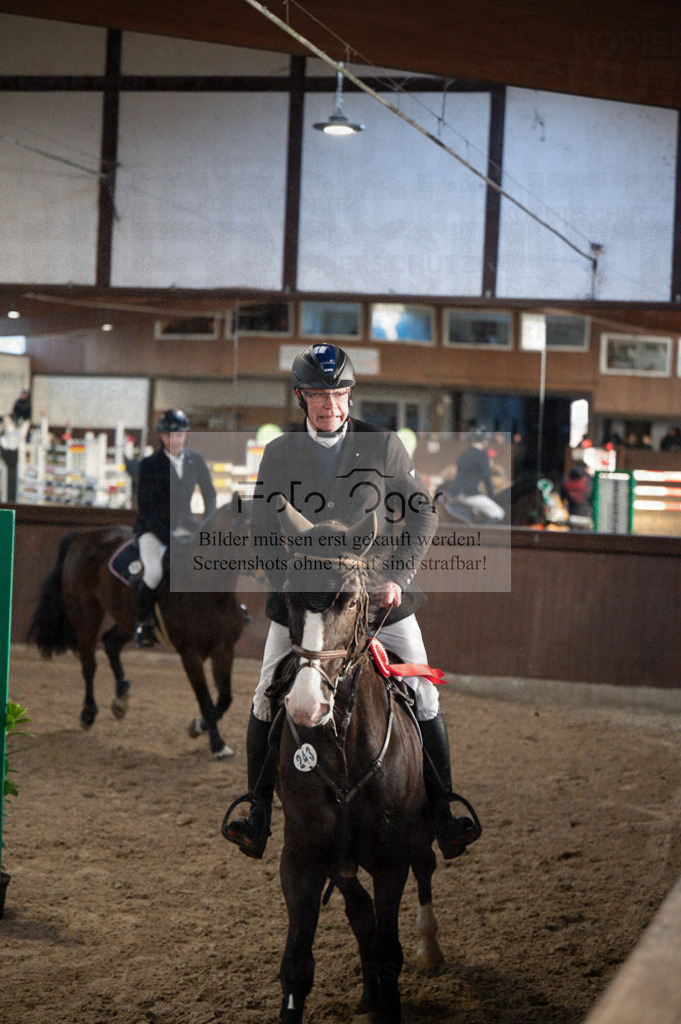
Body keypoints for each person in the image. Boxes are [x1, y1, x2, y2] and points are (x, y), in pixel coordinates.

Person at [222, 343, 480, 861]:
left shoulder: (383, 445)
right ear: (301, 397)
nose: (330, 405)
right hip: (309, 600)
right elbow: (263, 526)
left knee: (424, 693)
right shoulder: (279, 453)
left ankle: (443, 811)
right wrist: (287, 581)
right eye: (318, 394)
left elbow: (423, 516)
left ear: (349, 394)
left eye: (338, 393)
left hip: (376, 596)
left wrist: (398, 577)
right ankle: (257, 811)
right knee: (265, 695)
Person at [133, 409, 216, 648]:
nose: (175, 440)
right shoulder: (150, 464)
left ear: (185, 435)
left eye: (179, 435)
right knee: (154, 573)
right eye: (169, 436)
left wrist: (208, 523)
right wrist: (169, 537)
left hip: (187, 525)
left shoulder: (195, 459)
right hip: (153, 529)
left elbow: (209, 493)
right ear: (160, 436)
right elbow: (146, 508)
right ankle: (143, 623)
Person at [444, 429, 505, 523]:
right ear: (484, 441)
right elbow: (486, 476)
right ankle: (485, 536)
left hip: (455, 493)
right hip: (470, 494)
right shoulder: (482, 454)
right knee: (498, 513)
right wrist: (492, 496)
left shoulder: (464, 454)